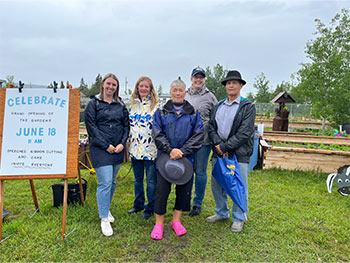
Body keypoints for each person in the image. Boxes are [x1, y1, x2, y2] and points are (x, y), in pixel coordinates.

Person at [151, 78, 204, 240]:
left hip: (186, 160)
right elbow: (157, 133)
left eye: (181, 90)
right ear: (171, 92)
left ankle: (176, 221)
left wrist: (182, 151)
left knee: (183, 191)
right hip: (165, 158)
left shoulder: (194, 113)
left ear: (185, 92)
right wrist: (170, 149)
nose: (178, 93)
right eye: (175, 90)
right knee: (161, 191)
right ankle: (159, 223)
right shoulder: (161, 112)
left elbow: (199, 135)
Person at [206, 70, 256, 233]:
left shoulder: (247, 106)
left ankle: (239, 217)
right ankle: (221, 212)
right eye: (228, 83)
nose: (231, 85)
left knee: (239, 186)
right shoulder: (218, 105)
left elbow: (245, 132)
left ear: (241, 85)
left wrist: (226, 147)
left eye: (234, 82)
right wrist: (219, 145)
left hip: (238, 154)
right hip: (219, 153)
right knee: (217, 184)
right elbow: (211, 127)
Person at [84, 73, 130, 236]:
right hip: (101, 149)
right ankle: (104, 218)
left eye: (114, 85)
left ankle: (106, 208)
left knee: (113, 181)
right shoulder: (93, 104)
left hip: (117, 149)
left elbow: (126, 126)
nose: (111, 87)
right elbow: (92, 128)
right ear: (103, 85)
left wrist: (121, 144)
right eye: (109, 84)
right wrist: (107, 145)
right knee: (105, 182)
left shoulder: (120, 104)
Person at [185, 66, 218, 216]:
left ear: (204, 79)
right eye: (196, 77)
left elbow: (216, 119)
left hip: (204, 142)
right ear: (191, 78)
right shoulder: (184, 95)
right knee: (186, 171)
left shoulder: (210, 97)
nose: (198, 79)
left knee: (200, 172)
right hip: (186, 141)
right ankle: (185, 200)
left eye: (201, 77)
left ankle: (197, 203)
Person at [128, 76, 159, 219]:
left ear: (151, 89)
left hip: (150, 149)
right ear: (137, 87)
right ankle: (138, 204)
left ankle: (150, 207)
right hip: (135, 149)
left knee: (151, 181)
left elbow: (160, 129)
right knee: (137, 179)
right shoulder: (132, 105)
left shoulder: (156, 106)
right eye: (141, 86)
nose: (144, 89)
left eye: (147, 86)